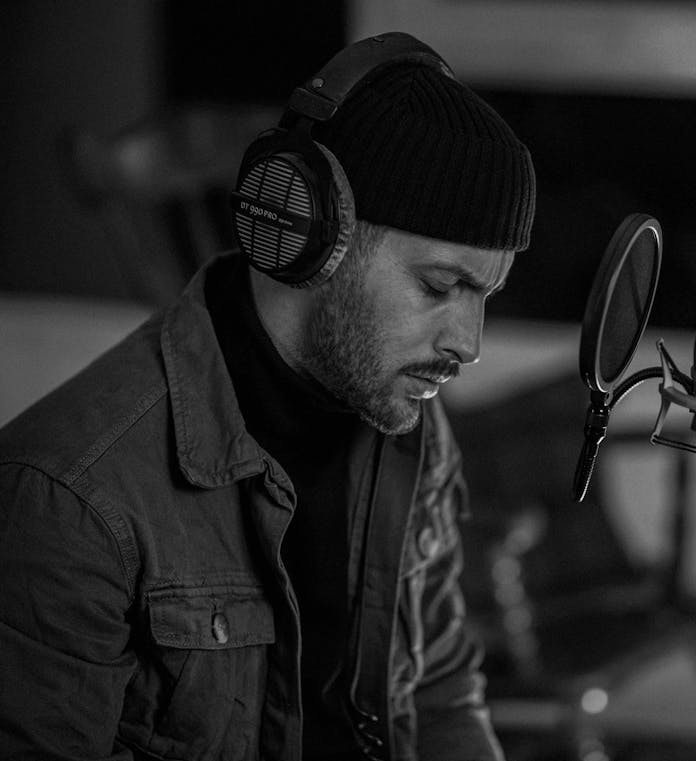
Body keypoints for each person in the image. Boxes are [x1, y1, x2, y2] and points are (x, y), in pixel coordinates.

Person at [0, 32, 535, 761]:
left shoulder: (408, 422)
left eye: (487, 296)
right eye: (440, 286)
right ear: (312, 237)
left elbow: (438, 689)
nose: (468, 344)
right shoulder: (70, 501)